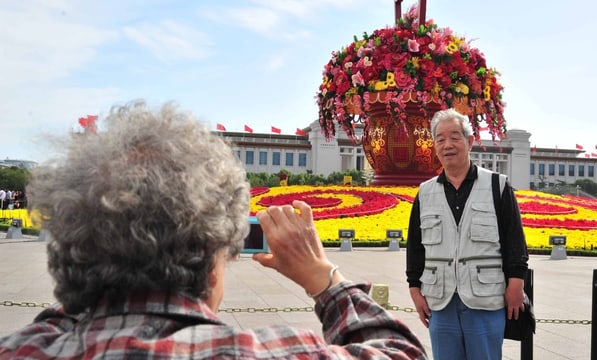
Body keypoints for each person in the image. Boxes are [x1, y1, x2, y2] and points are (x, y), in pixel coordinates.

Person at [0, 101, 428, 359]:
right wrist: (323, 277)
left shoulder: (23, 348)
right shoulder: (263, 351)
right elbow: (401, 352)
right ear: (212, 257)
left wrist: (95, 274)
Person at [405, 108, 529, 360]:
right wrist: (414, 289)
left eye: (454, 137)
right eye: (440, 139)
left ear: (470, 141)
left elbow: (514, 239)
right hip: (441, 302)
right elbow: (416, 247)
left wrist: (516, 282)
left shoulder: (497, 186)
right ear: (434, 146)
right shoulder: (425, 192)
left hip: (485, 300)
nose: (447, 145)